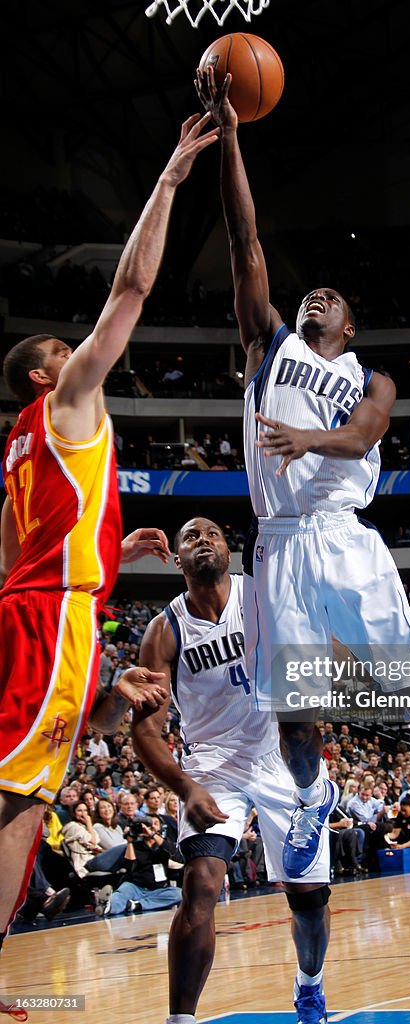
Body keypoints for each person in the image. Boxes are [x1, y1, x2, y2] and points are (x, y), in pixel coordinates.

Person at [195, 66, 410, 891]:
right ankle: (311, 798)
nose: (316, 296)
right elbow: (244, 240)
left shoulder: (374, 380)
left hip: (346, 541)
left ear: (350, 325)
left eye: (330, 297)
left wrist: (309, 436)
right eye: (311, 293)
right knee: (295, 714)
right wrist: (230, 134)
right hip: (283, 548)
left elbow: (366, 433)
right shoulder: (269, 347)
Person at [0, 113, 219, 940]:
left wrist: (103, 553)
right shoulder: (61, 401)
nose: (82, 354)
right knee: (24, 800)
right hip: (54, 613)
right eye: (66, 349)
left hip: (40, 605)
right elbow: (129, 291)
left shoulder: (15, 451)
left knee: (26, 787)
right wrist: (167, 180)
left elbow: (17, 556)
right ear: (38, 374)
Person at [132, 518, 333, 1024]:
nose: (203, 540)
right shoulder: (164, 630)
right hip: (212, 765)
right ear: (176, 559)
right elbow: (146, 733)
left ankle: (309, 984)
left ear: (230, 549)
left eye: (213, 534)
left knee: (308, 902)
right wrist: (186, 784)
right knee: (200, 885)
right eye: (190, 537)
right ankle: (181, 1019)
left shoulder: (262, 596)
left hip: (277, 758)